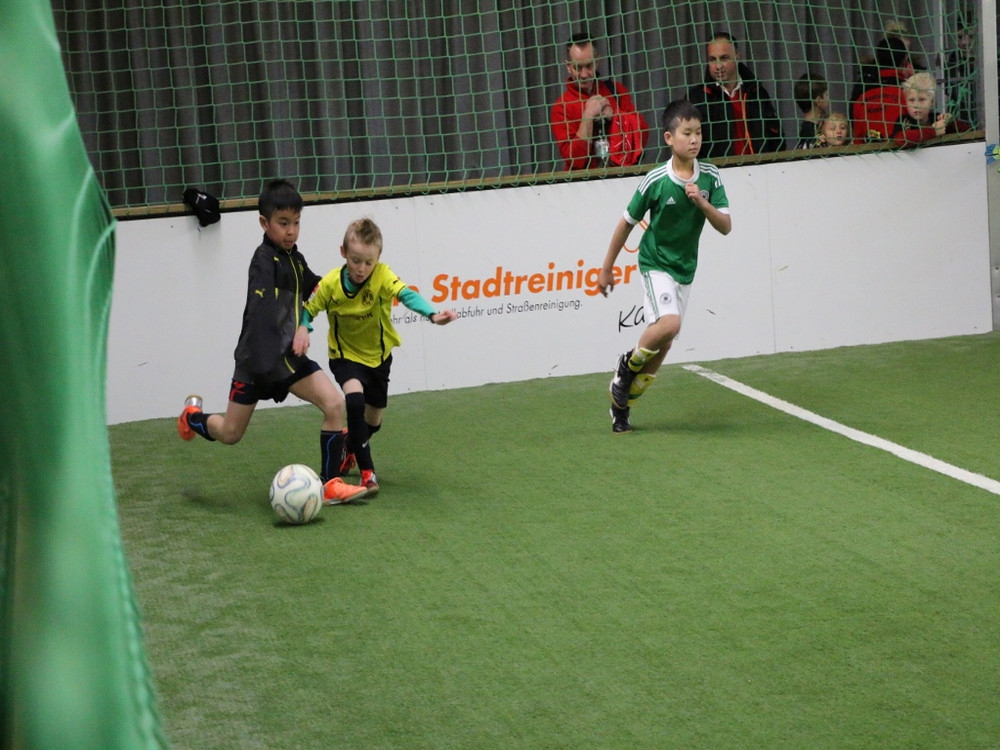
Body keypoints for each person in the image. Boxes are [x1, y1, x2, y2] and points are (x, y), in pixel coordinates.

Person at [176, 179, 368, 505]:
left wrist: (349, 284)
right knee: (230, 433)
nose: (291, 231)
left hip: (289, 358)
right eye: (283, 223)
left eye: (296, 223)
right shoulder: (263, 262)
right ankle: (192, 416)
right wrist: (294, 336)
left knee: (335, 404)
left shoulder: (295, 258)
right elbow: (262, 314)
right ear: (264, 223)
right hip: (256, 363)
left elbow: (315, 287)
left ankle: (329, 484)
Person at [598, 99, 732, 433]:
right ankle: (625, 365)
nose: (694, 139)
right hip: (655, 262)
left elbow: (725, 226)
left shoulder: (710, 177)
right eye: (687, 133)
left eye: (698, 132)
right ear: (669, 138)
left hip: (685, 269)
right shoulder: (656, 179)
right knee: (670, 324)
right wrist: (607, 267)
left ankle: (621, 408)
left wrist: (701, 202)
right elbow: (627, 222)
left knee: (665, 342)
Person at [300, 218, 458, 494]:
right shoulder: (330, 284)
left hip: (379, 359)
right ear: (343, 253)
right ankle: (367, 472)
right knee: (354, 401)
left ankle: (349, 446)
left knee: (373, 423)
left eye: (368, 262)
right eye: (355, 260)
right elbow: (308, 309)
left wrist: (433, 315)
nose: (361, 268)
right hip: (345, 357)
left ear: (378, 259)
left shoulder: (383, 275)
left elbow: (407, 295)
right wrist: (304, 327)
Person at [550, 31, 650, 170]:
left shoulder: (616, 90)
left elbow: (642, 135)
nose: (584, 74)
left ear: (597, 62)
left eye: (589, 66)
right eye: (577, 67)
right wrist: (588, 117)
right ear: (568, 67)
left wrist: (615, 115)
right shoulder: (561, 107)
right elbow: (574, 161)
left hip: (621, 175)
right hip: (583, 181)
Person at [685, 31, 784, 159]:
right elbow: (687, 144)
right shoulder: (696, 98)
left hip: (759, 168)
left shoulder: (757, 92)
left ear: (737, 56)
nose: (718, 66)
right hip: (718, 170)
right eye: (712, 60)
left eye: (724, 58)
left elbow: (776, 137)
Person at [850, 35, 913, 142]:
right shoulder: (909, 93)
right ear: (904, 61)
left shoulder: (861, 93)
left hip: (867, 151)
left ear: (878, 60)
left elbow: (857, 136)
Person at [893, 71, 972, 147]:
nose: (916, 105)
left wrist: (950, 122)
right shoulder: (904, 120)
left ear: (932, 102)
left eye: (921, 100)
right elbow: (901, 139)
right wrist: (933, 131)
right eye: (911, 100)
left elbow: (969, 131)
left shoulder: (937, 118)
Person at [793, 72, 829, 148]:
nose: (828, 99)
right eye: (826, 94)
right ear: (818, 100)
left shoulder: (809, 129)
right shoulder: (811, 132)